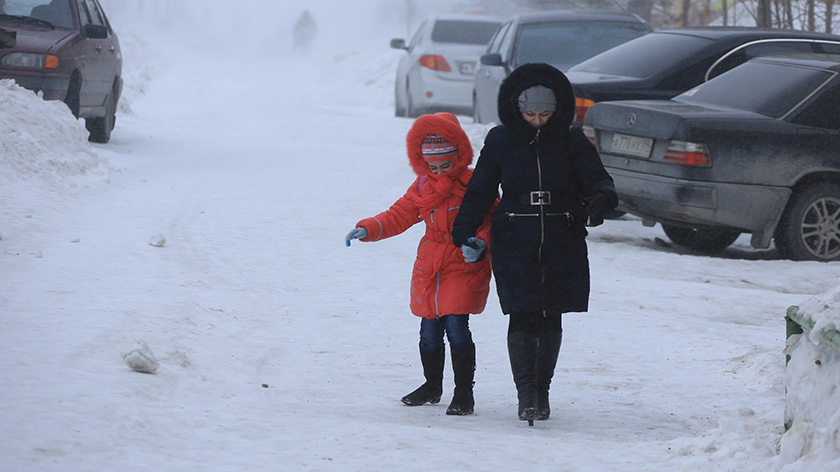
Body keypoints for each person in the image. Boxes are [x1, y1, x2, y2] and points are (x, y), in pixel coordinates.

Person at [451, 63, 617, 424]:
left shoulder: (572, 139)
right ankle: (525, 393)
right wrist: (463, 228)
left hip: (563, 236)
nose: (538, 121)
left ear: (557, 111)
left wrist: (601, 198)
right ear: (517, 109)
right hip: (515, 238)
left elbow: (599, 179)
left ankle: (543, 390)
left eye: (545, 114)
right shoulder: (500, 139)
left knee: (552, 315)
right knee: (523, 313)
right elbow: (480, 189)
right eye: (530, 114)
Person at [345, 112, 495, 416]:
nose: (439, 172)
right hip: (430, 262)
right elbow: (399, 214)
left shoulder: (474, 184)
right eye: (432, 167)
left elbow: (492, 220)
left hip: (463, 260)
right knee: (428, 329)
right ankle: (432, 385)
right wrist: (369, 228)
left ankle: (464, 393)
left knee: (456, 326)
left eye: (446, 166)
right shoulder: (423, 186)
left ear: (459, 156)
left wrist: (481, 244)